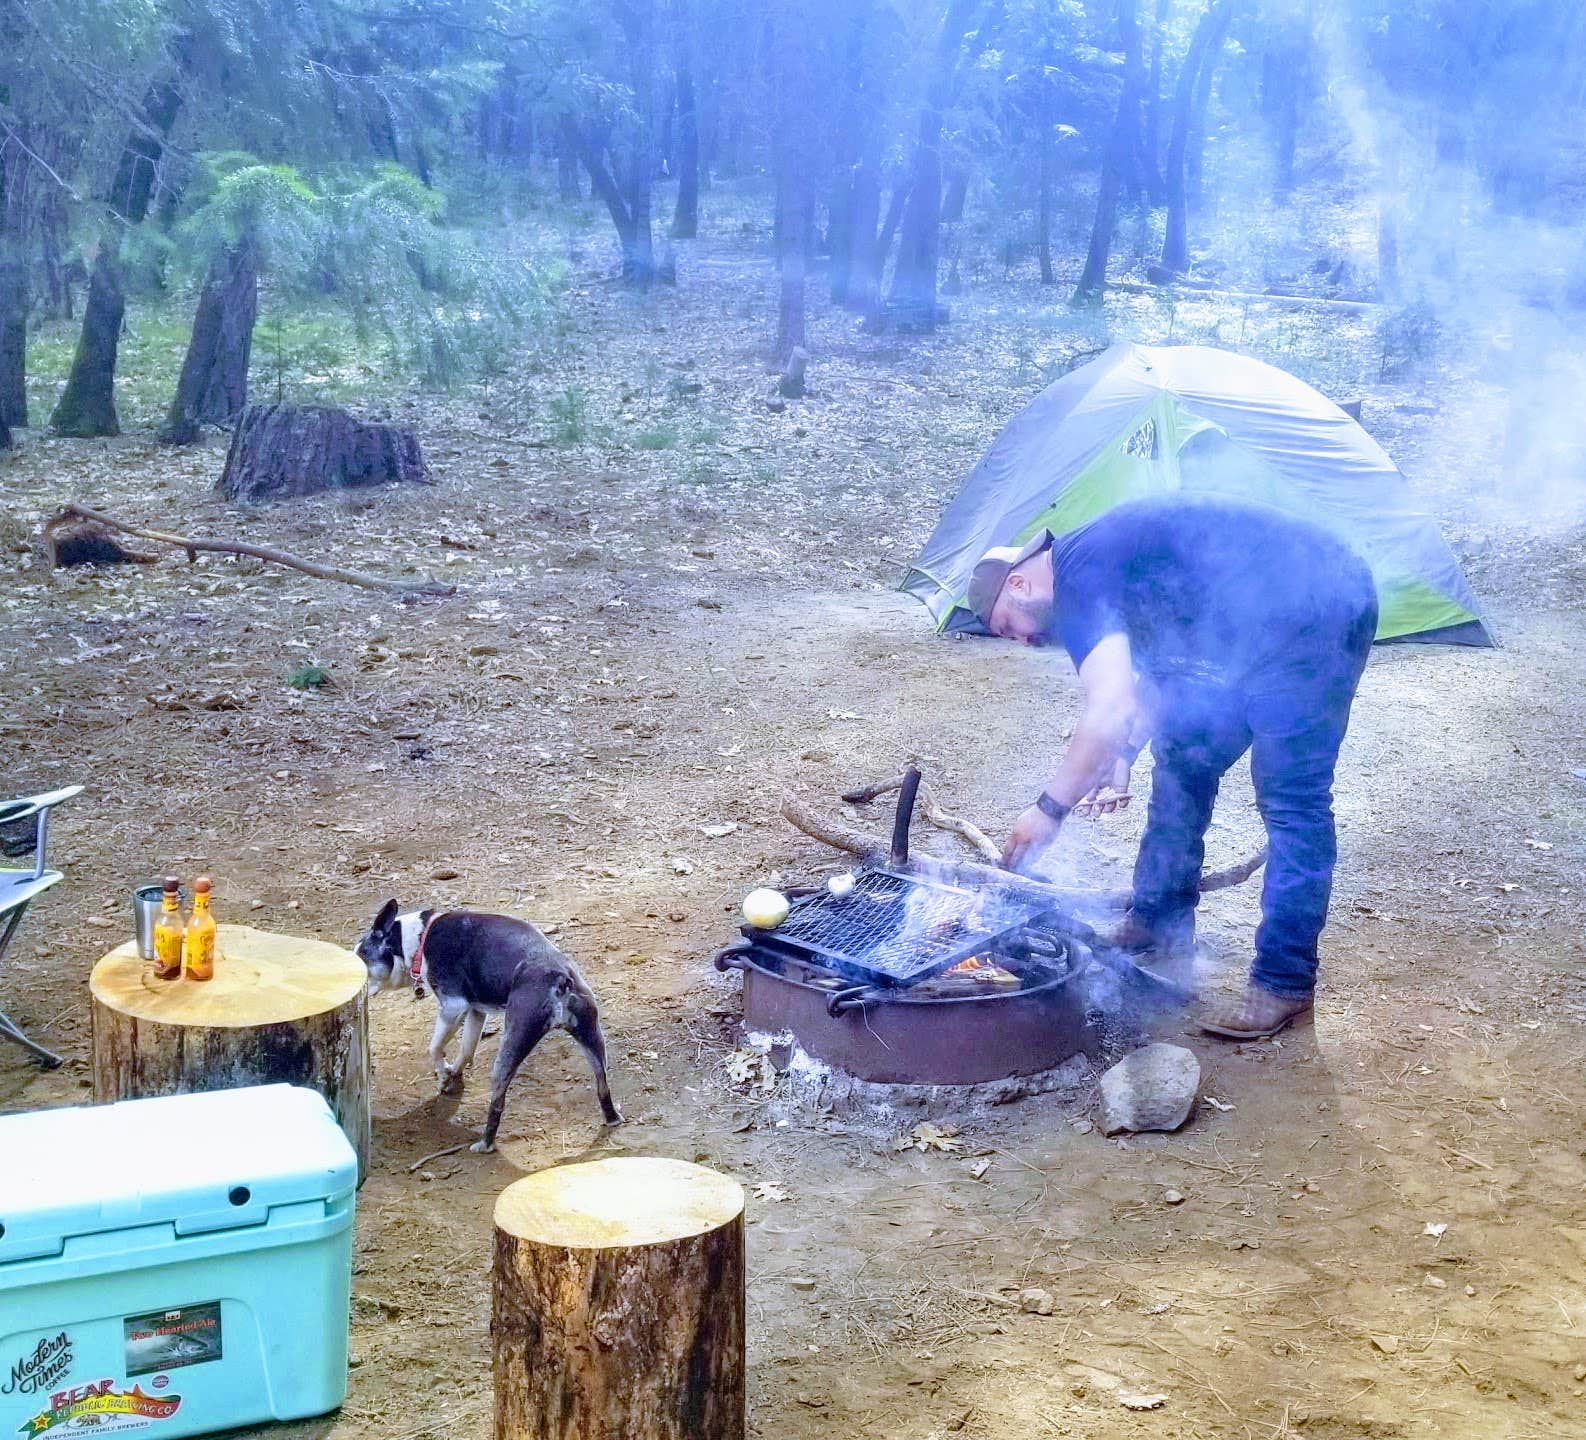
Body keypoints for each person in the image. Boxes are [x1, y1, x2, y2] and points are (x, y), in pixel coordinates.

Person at [966, 495, 1378, 1039]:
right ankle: (1158, 920)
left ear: (1019, 584)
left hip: (1317, 611)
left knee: (1291, 799)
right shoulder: (1110, 566)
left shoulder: (1079, 572)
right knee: (1183, 760)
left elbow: (1108, 706)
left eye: (1007, 627)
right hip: (1244, 631)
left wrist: (1049, 810)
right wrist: (1124, 755)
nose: (1022, 640)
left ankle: (1284, 982)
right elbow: (1167, 668)